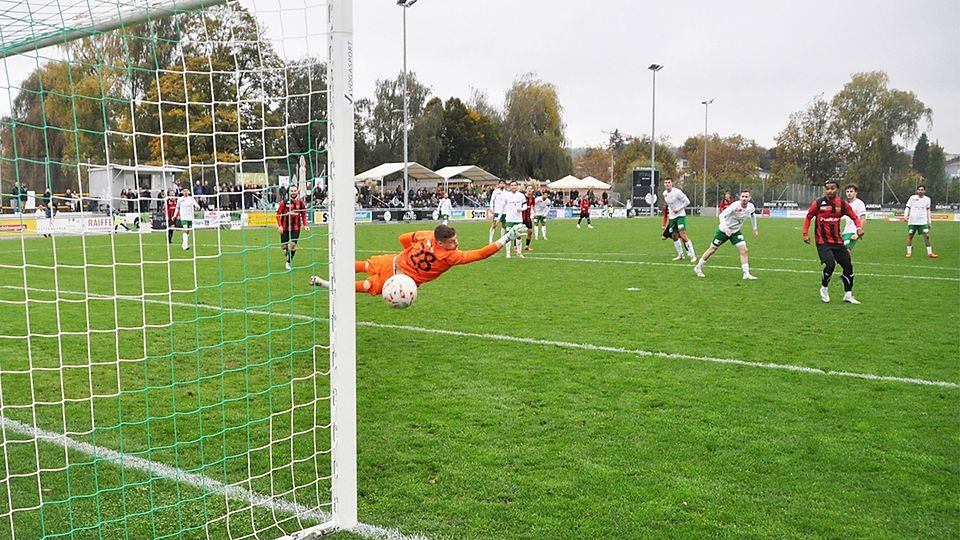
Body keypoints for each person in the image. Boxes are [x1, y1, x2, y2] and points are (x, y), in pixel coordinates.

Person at [308, 223, 527, 296]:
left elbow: (403, 238)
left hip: (392, 263)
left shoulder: (426, 235)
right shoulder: (450, 257)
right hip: (397, 281)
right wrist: (507, 237)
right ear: (441, 243)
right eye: (452, 241)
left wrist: (408, 256)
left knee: (363, 267)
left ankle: (328, 275)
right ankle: (328, 284)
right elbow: (480, 254)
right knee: (363, 285)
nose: (456, 244)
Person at [802, 180, 864, 304]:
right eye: (828, 189)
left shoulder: (842, 204)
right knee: (830, 264)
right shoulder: (818, 203)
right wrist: (805, 233)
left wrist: (858, 228)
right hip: (822, 241)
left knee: (848, 266)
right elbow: (808, 217)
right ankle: (824, 288)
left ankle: (848, 295)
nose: (830, 191)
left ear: (837, 189)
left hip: (837, 241)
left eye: (832, 188)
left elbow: (854, 217)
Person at [694, 190, 759, 280]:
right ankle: (698, 267)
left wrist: (754, 229)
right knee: (712, 249)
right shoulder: (734, 206)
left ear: (749, 198)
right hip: (723, 231)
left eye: (746, 197)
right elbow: (722, 215)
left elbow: (753, 215)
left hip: (735, 232)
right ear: (740, 197)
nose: (744, 198)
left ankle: (746, 273)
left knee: (744, 250)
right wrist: (725, 228)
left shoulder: (751, 207)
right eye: (743, 196)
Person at [276, 185, 310, 270]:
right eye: (292, 191)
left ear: (297, 191)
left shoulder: (300, 203)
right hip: (284, 227)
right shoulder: (284, 203)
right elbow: (277, 215)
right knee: (284, 247)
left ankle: (288, 262)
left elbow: (303, 214)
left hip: (296, 227)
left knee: (293, 245)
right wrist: (280, 226)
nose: (293, 192)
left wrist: (305, 225)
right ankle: (286, 251)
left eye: (295, 191)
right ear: (289, 192)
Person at [663, 177, 696, 261]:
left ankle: (693, 255)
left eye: (669, 182)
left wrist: (679, 209)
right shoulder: (664, 194)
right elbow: (670, 206)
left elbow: (687, 202)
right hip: (672, 217)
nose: (667, 184)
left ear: (672, 183)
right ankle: (680, 255)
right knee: (674, 236)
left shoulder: (677, 192)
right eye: (666, 183)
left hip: (680, 215)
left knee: (683, 235)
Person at [904, 185, 938, 258]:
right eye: (919, 190)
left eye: (922, 190)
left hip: (923, 221)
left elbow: (928, 210)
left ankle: (930, 253)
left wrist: (929, 222)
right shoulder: (912, 198)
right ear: (917, 191)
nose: (920, 191)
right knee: (910, 236)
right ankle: (909, 252)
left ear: (924, 191)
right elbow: (907, 207)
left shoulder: (927, 199)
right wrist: (905, 216)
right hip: (913, 221)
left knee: (927, 237)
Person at [502, 181, 528, 258]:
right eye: (512, 185)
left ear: (517, 186)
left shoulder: (521, 195)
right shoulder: (507, 195)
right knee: (508, 235)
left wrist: (521, 209)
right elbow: (502, 207)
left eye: (515, 185)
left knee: (518, 236)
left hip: (518, 219)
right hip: (509, 219)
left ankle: (519, 253)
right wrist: (499, 217)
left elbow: (525, 206)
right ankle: (508, 253)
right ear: (510, 186)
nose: (513, 187)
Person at [841, 184, 867, 252]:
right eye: (847, 191)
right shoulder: (846, 204)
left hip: (853, 232)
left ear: (856, 192)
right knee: (840, 253)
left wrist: (857, 233)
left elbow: (863, 219)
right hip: (846, 231)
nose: (849, 193)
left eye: (851, 191)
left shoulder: (859, 203)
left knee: (845, 251)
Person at [522, 185, 535, 251]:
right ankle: (515, 246)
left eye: (531, 188)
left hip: (528, 218)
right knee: (518, 232)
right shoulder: (522, 197)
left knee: (530, 231)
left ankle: (527, 246)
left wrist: (535, 213)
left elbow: (533, 205)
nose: (529, 190)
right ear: (526, 190)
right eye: (528, 188)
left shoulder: (532, 198)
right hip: (521, 217)